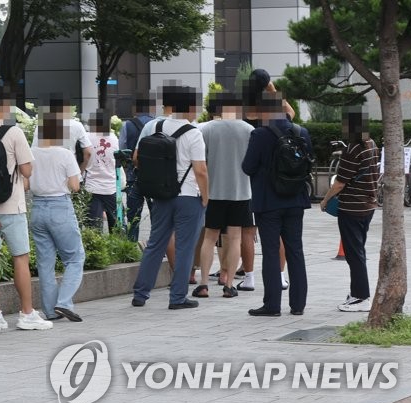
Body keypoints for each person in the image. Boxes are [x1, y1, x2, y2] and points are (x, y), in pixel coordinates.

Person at [0, 85, 52, 331]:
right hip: (12, 205)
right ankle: (26, 313)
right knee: (21, 258)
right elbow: (27, 170)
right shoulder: (14, 132)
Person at [130, 84, 208, 310]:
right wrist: (206, 197)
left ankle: (140, 294)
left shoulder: (154, 125)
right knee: (185, 247)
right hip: (188, 197)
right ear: (190, 108)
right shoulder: (194, 133)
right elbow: (201, 170)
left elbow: (137, 157)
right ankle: (177, 297)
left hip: (160, 194)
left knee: (155, 244)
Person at [242, 91, 311, 317]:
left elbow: (247, 167)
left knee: (271, 252)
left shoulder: (260, 134)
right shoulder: (302, 132)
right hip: (295, 200)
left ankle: (272, 305)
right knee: (295, 250)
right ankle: (298, 304)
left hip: (268, 202)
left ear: (264, 110)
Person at [194, 93, 254, 298]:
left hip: (214, 193)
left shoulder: (207, 129)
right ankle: (229, 284)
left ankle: (203, 284)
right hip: (241, 192)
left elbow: (201, 161)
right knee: (235, 238)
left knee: (210, 238)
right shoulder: (248, 130)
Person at [320, 107, 379, 312]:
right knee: (358, 250)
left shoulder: (352, 149)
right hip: (368, 205)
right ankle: (357, 292)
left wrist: (325, 200)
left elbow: (340, 183)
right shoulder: (372, 145)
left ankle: (361, 297)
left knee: (354, 254)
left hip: (351, 208)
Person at [29, 112, 85, 322]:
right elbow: (74, 186)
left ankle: (50, 311)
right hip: (60, 206)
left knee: (45, 263)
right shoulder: (64, 154)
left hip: (37, 208)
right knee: (75, 257)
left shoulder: (30, 153)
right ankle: (64, 303)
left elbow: (25, 183)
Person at [121, 94, 156, 242]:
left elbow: (121, 148)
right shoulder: (157, 124)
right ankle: (156, 245)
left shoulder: (127, 125)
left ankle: (131, 245)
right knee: (156, 215)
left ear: (135, 108)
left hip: (133, 176)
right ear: (151, 108)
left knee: (133, 215)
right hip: (154, 177)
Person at [84, 110, 121, 232]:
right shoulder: (114, 138)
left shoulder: (87, 137)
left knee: (93, 229)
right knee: (115, 227)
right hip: (110, 187)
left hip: (92, 187)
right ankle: (115, 249)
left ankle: (95, 250)